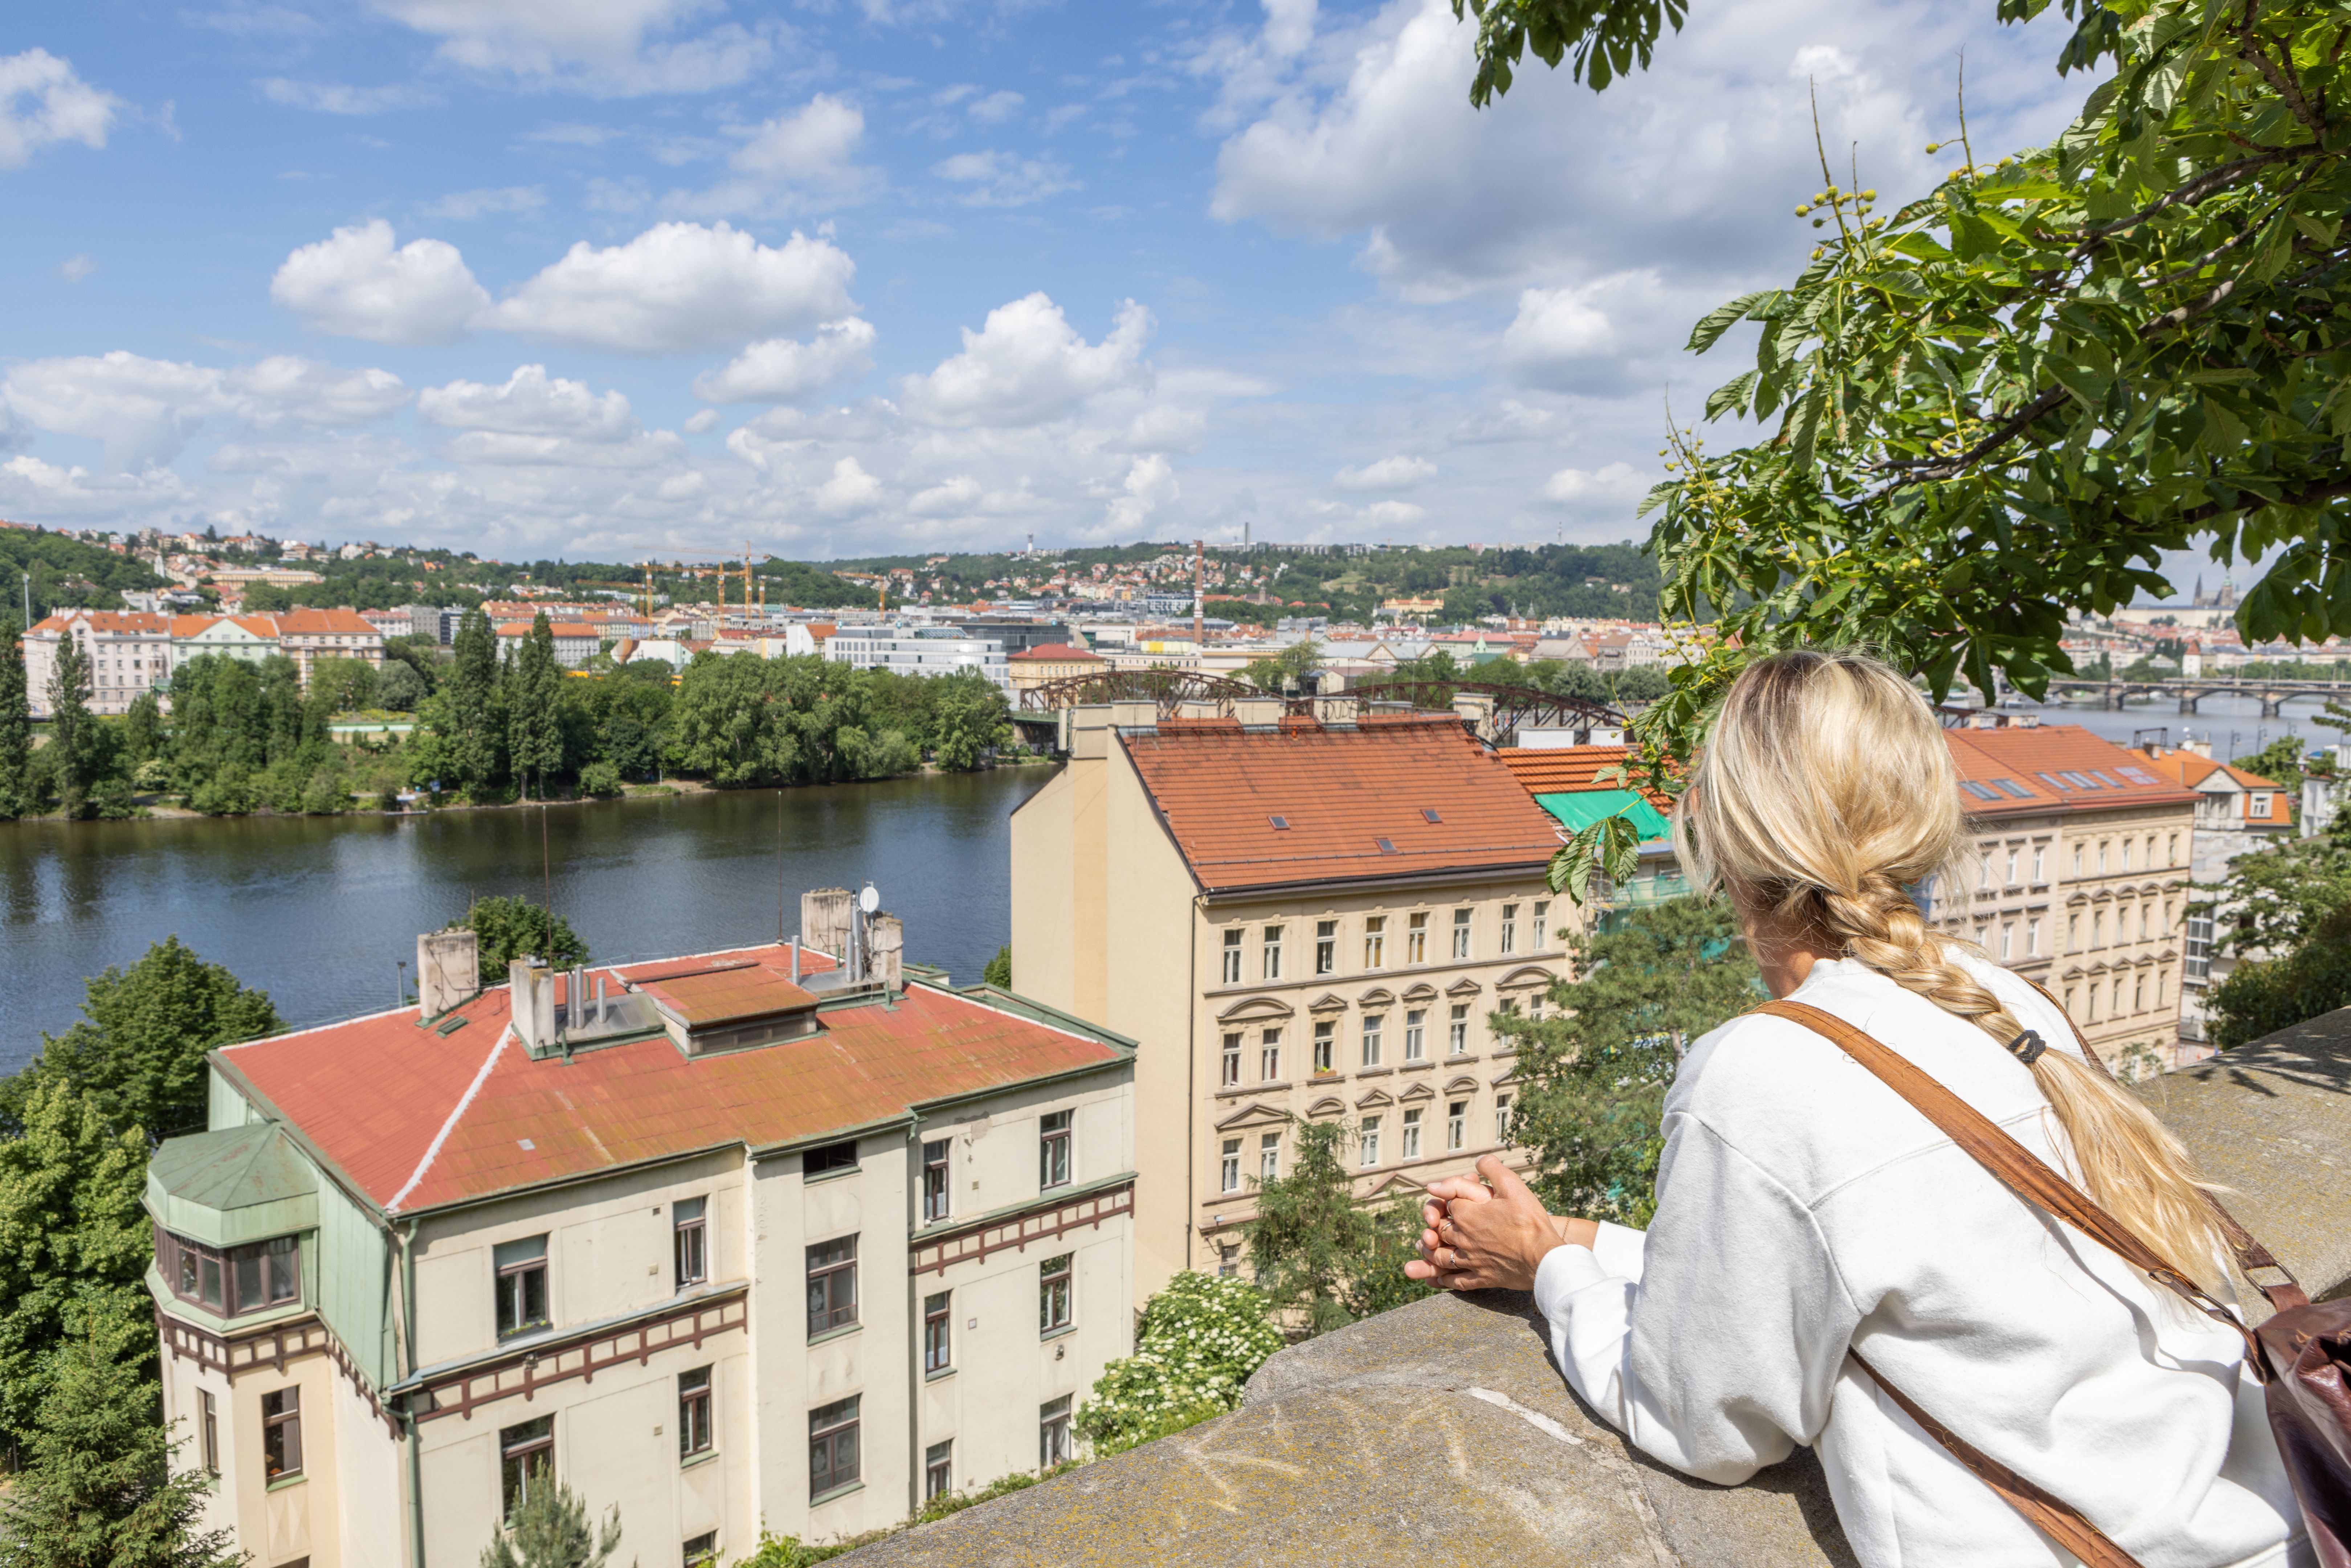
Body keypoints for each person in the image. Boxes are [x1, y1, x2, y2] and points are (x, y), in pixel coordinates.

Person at [1409, 650, 2306, 1567]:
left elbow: (1703, 1419)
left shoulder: (1764, 1071)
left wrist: (1553, 1276)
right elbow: (1899, 1267)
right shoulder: (1994, 998)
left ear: (1722, 843)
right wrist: (1581, 1240)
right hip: (2258, 1521)